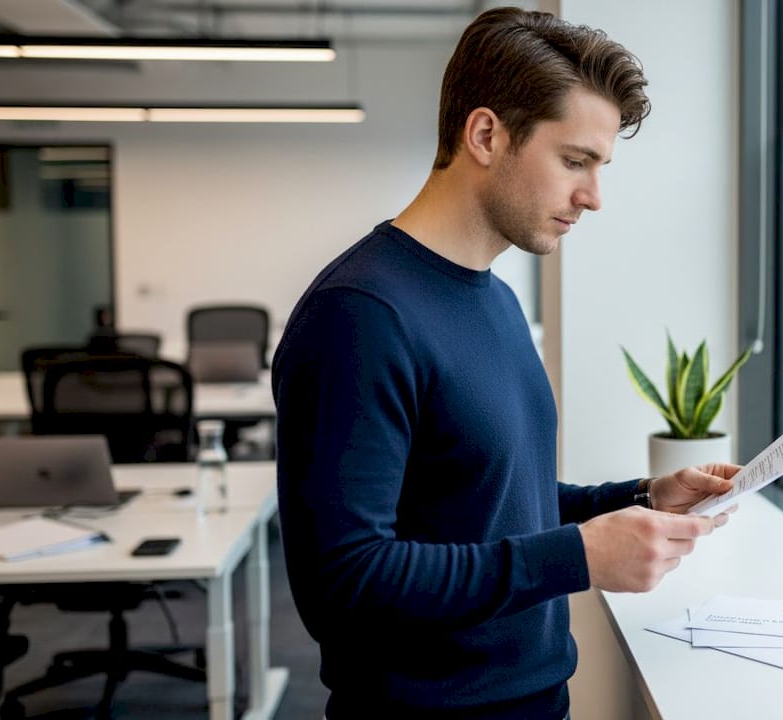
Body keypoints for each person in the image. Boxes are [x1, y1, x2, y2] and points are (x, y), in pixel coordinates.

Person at [272, 7, 739, 718]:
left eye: (599, 166)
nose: (594, 196)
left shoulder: (492, 297)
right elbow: (345, 581)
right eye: (575, 161)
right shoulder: (360, 316)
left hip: (535, 700)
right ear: (486, 134)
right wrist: (577, 557)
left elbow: (484, 504)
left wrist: (641, 497)